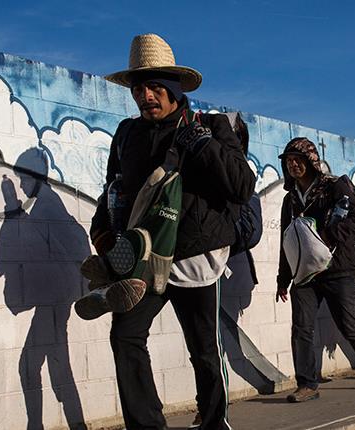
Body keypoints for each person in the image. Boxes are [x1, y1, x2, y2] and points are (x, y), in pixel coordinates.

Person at [91, 33, 255, 429]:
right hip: (145, 257)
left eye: (154, 86)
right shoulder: (127, 134)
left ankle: (214, 421)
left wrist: (200, 144)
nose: (146, 95)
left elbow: (241, 185)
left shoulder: (211, 126)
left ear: (174, 89)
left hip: (195, 255)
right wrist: (103, 234)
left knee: (202, 349)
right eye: (138, 88)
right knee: (125, 336)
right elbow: (114, 187)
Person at [276, 137, 355, 403]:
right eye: (288, 161)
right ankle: (307, 384)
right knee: (301, 328)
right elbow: (286, 239)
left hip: (338, 269)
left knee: (348, 325)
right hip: (305, 274)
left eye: (298, 159)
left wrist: (328, 235)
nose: (293, 165)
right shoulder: (290, 200)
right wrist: (283, 278)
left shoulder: (335, 186)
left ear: (311, 160)